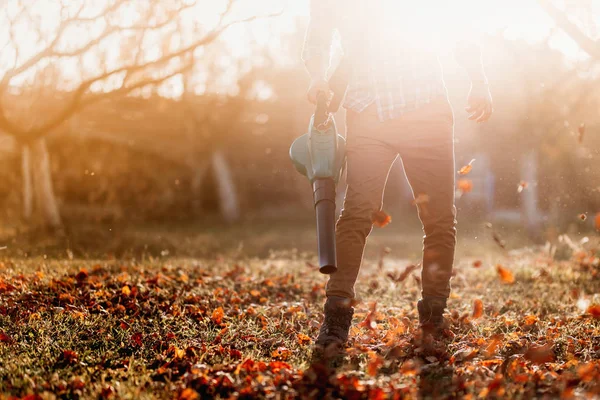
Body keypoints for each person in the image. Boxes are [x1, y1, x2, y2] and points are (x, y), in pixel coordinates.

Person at [302, 0, 493, 349]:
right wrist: (318, 77)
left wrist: (478, 79)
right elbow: (318, 36)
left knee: (438, 219)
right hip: (367, 111)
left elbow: (454, 25)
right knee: (357, 211)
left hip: (426, 109)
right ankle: (336, 317)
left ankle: (434, 318)